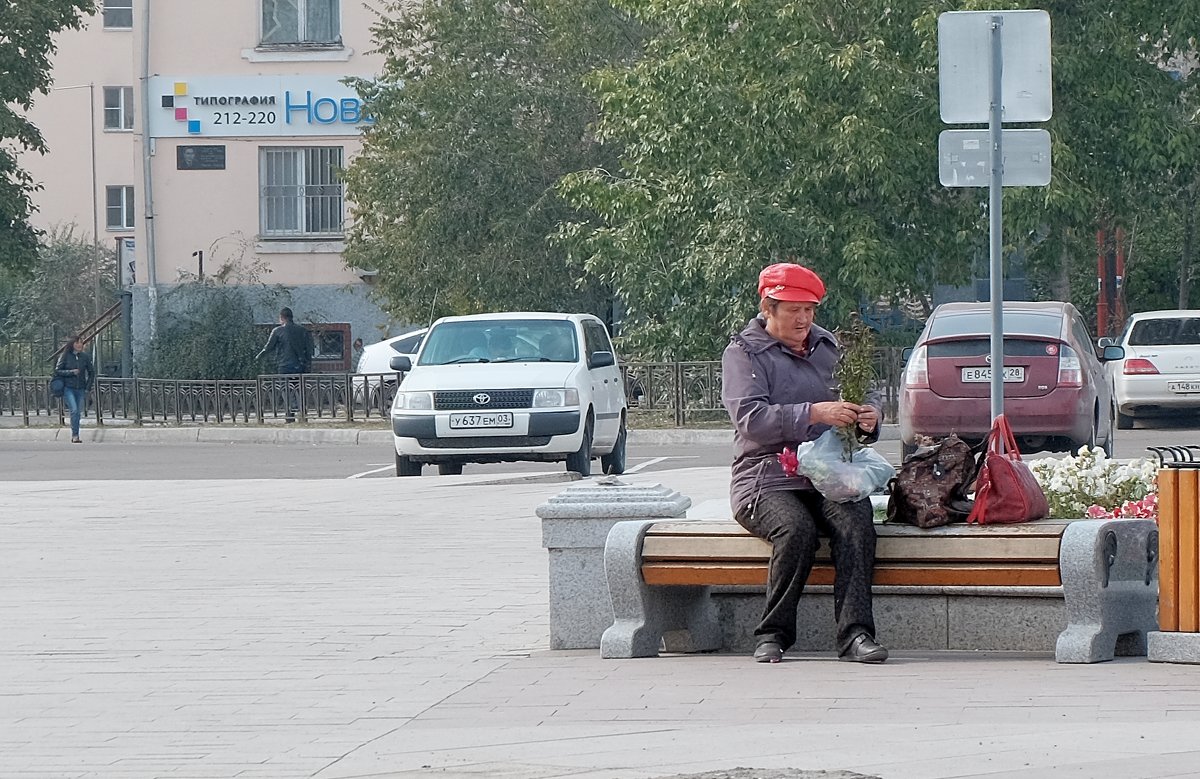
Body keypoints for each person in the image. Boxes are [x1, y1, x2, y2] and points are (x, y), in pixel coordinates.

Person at [720, 262, 887, 665]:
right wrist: (815, 413)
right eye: (794, 310)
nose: (804, 319)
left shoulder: (829, 347)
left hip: (829, 475)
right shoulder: (744, 354)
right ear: (768, 308)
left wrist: (869, 418)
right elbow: (752, 421)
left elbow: (868, 394)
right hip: (766, 477)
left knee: (855, 522)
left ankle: (855, 635)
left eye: (810, 310)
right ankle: (773, 634)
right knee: (796, 530)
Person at [256, 307, 313, 422]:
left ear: (282, 318)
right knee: (299, 390)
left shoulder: (277, 331)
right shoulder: (302, 330)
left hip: (284, 366)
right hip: (300, 366)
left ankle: (289, 416)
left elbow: (268, 348)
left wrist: (258, 357)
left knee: (286, 390)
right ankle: (302, 415)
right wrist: (307, 363)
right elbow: (309, 348)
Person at [55, 336, 96, 444]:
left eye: (81, 343)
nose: (79, 345)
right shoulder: (65, 356)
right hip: (68, 388)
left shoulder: (84, 357)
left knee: (78, 412)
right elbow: (58, 371)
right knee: (74, 410)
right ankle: (75, 435)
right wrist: (71, 372)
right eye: (77, 343)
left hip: (81, 388)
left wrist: (88, 387)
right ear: (72, 344)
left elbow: (91, 372)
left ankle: (76, 433)